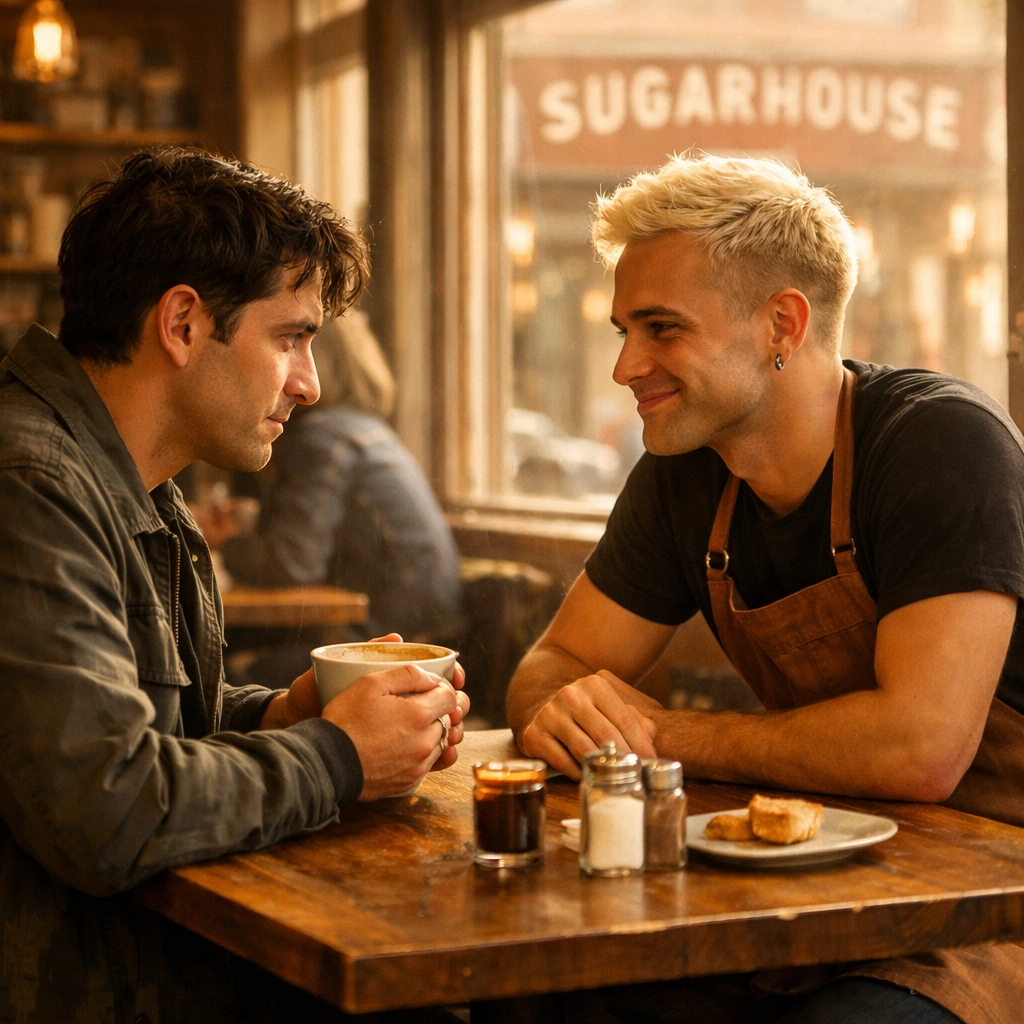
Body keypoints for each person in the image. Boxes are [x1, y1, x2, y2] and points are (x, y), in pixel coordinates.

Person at [505, 154, 1024, 1024]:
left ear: (783, 324)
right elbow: (552, 665)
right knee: (539, 993)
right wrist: (564, 710)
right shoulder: (683, 471)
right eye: (622, 330)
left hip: (995, 900)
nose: (625, 366)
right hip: (825, 879)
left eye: (661, 329)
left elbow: (919, 749)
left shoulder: (940, 443)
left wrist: (656, 735)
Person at [0, 147, 469, 1024]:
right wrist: (339, 758)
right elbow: (106, 810)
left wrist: (285, 715)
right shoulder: (30, 481)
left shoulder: (137, 484)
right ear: (182, 324)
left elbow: (148, 726)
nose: (311, 383)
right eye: (292, 338)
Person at [199, 310, 463, 686]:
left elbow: (292, 563)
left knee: (221, 670)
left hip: (392, 643)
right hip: (430, 634)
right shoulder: (361, 430)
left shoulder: (322, 439)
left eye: (290, 344)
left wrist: (224, 540)